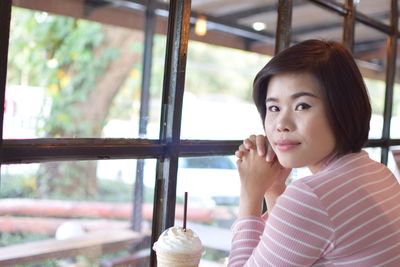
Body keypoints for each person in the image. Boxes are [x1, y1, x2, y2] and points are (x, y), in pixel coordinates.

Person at [228, 39, 400, 266]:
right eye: (274, 108)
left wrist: (251, 194)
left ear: (343, 110)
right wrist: (274, 188)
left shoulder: (311, 197)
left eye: (302, 106)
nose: (281, 124)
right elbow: (298, 245)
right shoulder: (378, 173)